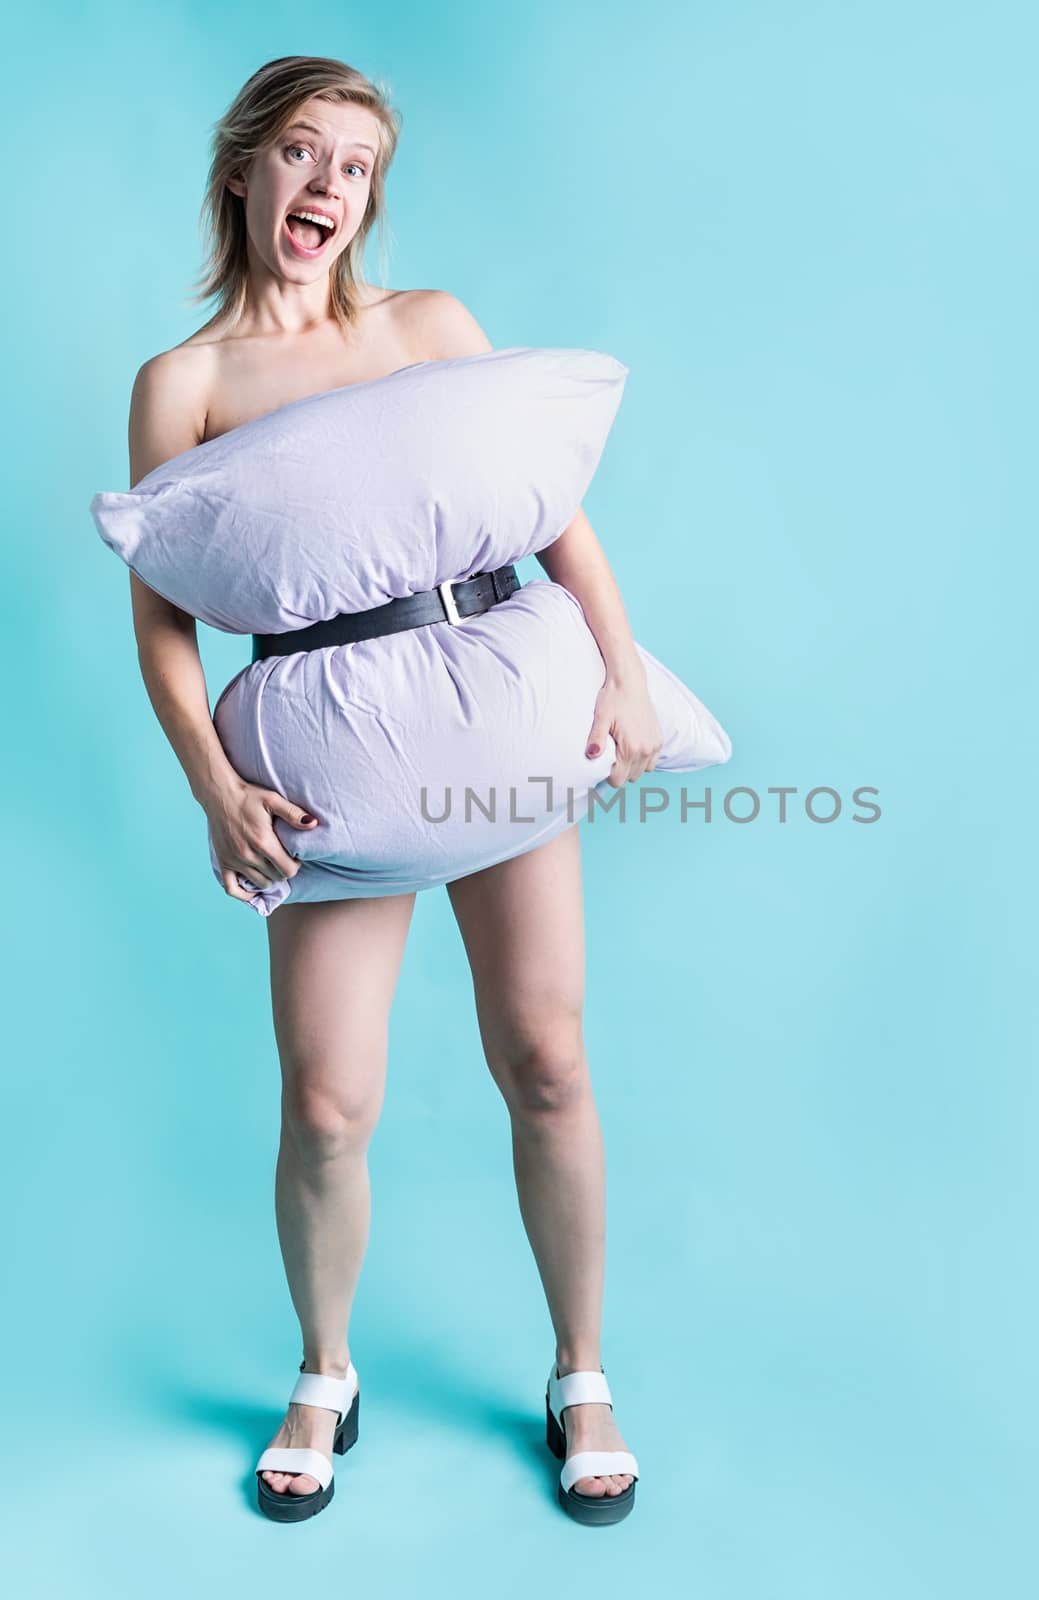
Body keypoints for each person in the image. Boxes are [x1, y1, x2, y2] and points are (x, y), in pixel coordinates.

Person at [125, 55, 656, 1524]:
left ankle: (580, 1370)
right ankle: (325, 1370)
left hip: (490, 704)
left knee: (545, 1057)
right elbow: (161, 613)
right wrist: (211, 783)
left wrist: (617, 667)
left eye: (355, 166)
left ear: (371, 198)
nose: (328, 187)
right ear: (244, 171)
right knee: (328, 1102)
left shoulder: (428, 326)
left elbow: (546, 512)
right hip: (325, 745)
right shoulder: (184, 385)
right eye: (302, 153)